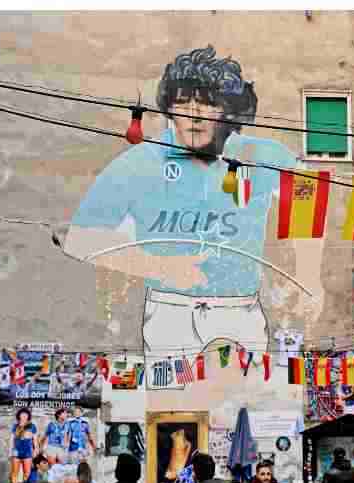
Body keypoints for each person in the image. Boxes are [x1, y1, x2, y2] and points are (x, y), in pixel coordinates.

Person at [65, 45, 325, 358]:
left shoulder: (262, 155)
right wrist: (158, 265)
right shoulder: (142, 160)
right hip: (170, 309)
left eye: (207, 103)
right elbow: (79, 238)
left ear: (228, 111)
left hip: (239, 310)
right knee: (171, 403)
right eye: (183, 101)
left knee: (242, 402)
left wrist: (310, 277)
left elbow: (308, 199)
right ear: (169, 107)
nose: (194, 113)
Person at [10, 408, 37, 483]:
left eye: (26, 414)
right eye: (22, 414)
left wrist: (35, 450)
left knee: (27, 472)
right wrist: (10, 451)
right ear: (19, 416)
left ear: (28, 416)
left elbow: (34, 440)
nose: (24, 416)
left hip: (27, 452)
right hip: (16, 452)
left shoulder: (32, 426)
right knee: (14, 472)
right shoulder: (15, 426)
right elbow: (11, 439)